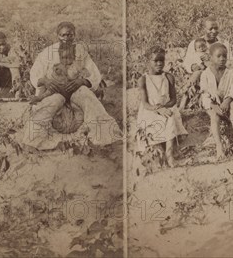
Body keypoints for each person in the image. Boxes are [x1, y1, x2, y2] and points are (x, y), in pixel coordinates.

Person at [24, 21, 120, 150]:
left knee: (87, 97)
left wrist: (82, 81)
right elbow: (34, 74)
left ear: (74, 35)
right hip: (55, 91)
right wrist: (46, 81)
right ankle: (33, 140)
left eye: (70, 35)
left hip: (75, 90)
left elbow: (94, 74)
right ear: (58, 36)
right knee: (49, 105)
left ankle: (105, 137)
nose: (66, 38)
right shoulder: (47, 53)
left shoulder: (80, 51)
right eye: (63, 35)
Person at [137, 46, 188, 167]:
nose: (159, 63)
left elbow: (173, 99)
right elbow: (145, 103)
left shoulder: (168, 77)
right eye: (156, 60)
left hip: (167, 107)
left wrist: (165, 107)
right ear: (148, 61)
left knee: (170, 117)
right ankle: (158, 153)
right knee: (153, 130)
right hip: (150, 109)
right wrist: (157, 109)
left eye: (162, 60)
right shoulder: (143, 79)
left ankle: (170, 155)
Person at [199, 43, 233, 160]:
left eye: (224, 56)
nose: (222, 59)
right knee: (214, 117)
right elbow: (205, 94)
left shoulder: (230, 72)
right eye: (218, 56)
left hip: (227, 103)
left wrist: (226, 102)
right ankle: (219, 147)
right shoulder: (205, 74)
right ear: (211, 57)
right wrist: (214, 106)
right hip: (213, 105)